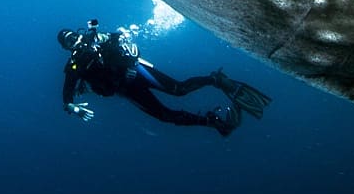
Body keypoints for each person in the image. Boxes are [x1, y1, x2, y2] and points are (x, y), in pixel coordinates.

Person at [58, 19, 272, 137]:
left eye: (74, 36)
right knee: (165, 116)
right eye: (69, 42)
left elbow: (120, 37)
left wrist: (128, 46)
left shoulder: (98, 39)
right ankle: (212, 122)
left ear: (79, 34)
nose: (75, 42)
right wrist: (73, 107)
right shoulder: (74, 65)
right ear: (66, 48)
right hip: (127, 90)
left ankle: (215, 80)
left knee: (179, 90)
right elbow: (66, 94)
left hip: (137, 72)